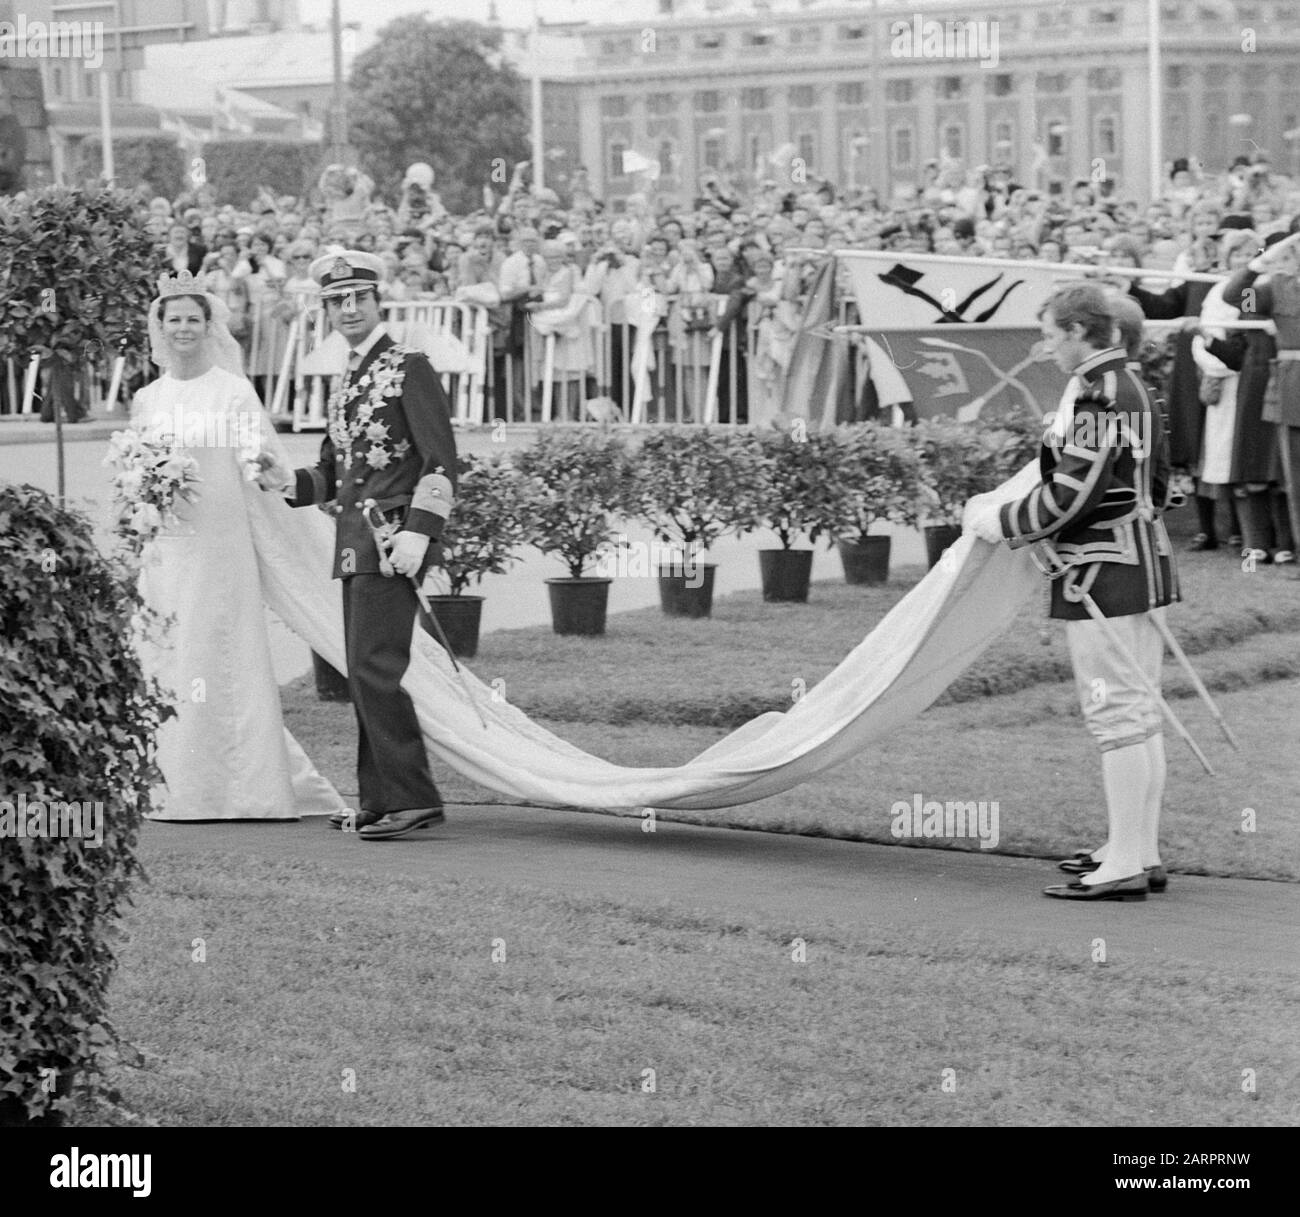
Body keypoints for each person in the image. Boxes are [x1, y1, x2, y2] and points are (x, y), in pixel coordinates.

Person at [963, 282, 1179, 901]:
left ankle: (1126, 865)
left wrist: (1000, 522)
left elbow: (1074, 491)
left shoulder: (1096, 393)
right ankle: (1137, 849)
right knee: (1140, 713)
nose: (1048, 346)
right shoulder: (1133, 386)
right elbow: (1159, 484)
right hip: (1135, 558)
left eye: (1053, 334)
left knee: (1118, 718)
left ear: (1080, 331)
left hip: (1103, 569)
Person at [254, 251, 459, 841]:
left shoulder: (408, 367)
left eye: (357, 298)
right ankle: (378, 797)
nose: (348, 309)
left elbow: (440, 459)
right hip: (355, 543)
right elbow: (332, 471)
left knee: (375, 667)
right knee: (362, 670)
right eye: (336, 301)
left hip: (395, 539)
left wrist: (421, 531)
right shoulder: (347, 379)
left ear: (377, 302)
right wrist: (284, 481)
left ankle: (413, 797)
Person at [126, 271, 346, 821]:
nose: (183, 329)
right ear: (159, 327)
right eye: (172, 319)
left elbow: (259, 462)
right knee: (167, 654)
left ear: (209, 327)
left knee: (217, 650)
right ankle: (166, 781)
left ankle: (239, 787)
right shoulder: (148, 398)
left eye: (192, 320)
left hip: (221, 542)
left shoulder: (232, 391)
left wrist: (258, 466)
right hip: (168, 546)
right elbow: (132, 469)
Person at [1221, 229, 1300, 579]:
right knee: (1294, 476)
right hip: (1294, 385)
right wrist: (1259, 263)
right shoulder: (1277, 288)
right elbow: (1236, 296)